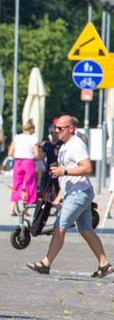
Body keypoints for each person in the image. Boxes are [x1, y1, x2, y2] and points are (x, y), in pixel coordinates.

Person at [26, 115, 112, 279]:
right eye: (55, 128)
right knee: (86, 230)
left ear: (71, 128)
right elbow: (66, 175)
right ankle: (104, 264)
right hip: (76, 192)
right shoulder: (66, 146)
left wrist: (64, 172)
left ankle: (45, 263)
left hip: (79, 193)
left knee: (60, 226)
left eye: (60, 128)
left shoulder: (76, 145)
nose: (56, 131)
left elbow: (87, 168)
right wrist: (60, 194)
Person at [8, 119, 41, 216]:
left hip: (18, 162)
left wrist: (17, 157)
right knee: (29, 185)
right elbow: (36, 154)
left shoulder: (17, 137)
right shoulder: (33, 139)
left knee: (16, 185)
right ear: (31, 129)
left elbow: (10, 153)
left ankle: (12, 209)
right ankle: (26, 209)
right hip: (28, 162)